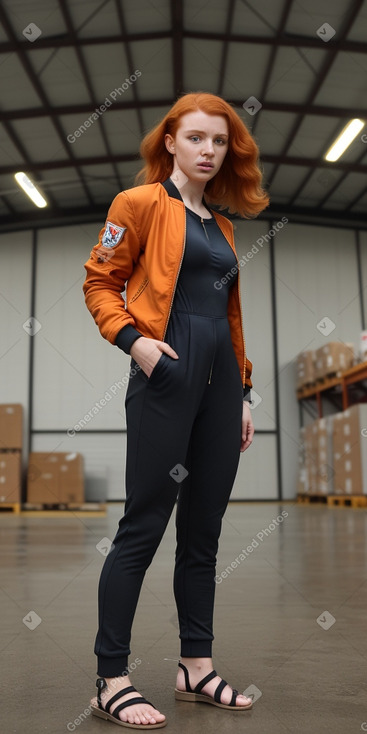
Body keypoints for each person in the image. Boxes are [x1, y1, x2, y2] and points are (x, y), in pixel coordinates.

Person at [82, 91, 269, 729]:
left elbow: (230, 315)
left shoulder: (222, 226)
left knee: (205, 532)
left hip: (220, 385)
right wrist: (135, 344)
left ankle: (196, 664)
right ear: (170, 142)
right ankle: (111, 677)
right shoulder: (136, 205)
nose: (208, 151)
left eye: (219, 142)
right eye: (195, 138)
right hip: (166, 372)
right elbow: (99, 280)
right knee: (144, 524)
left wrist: (243, 391)